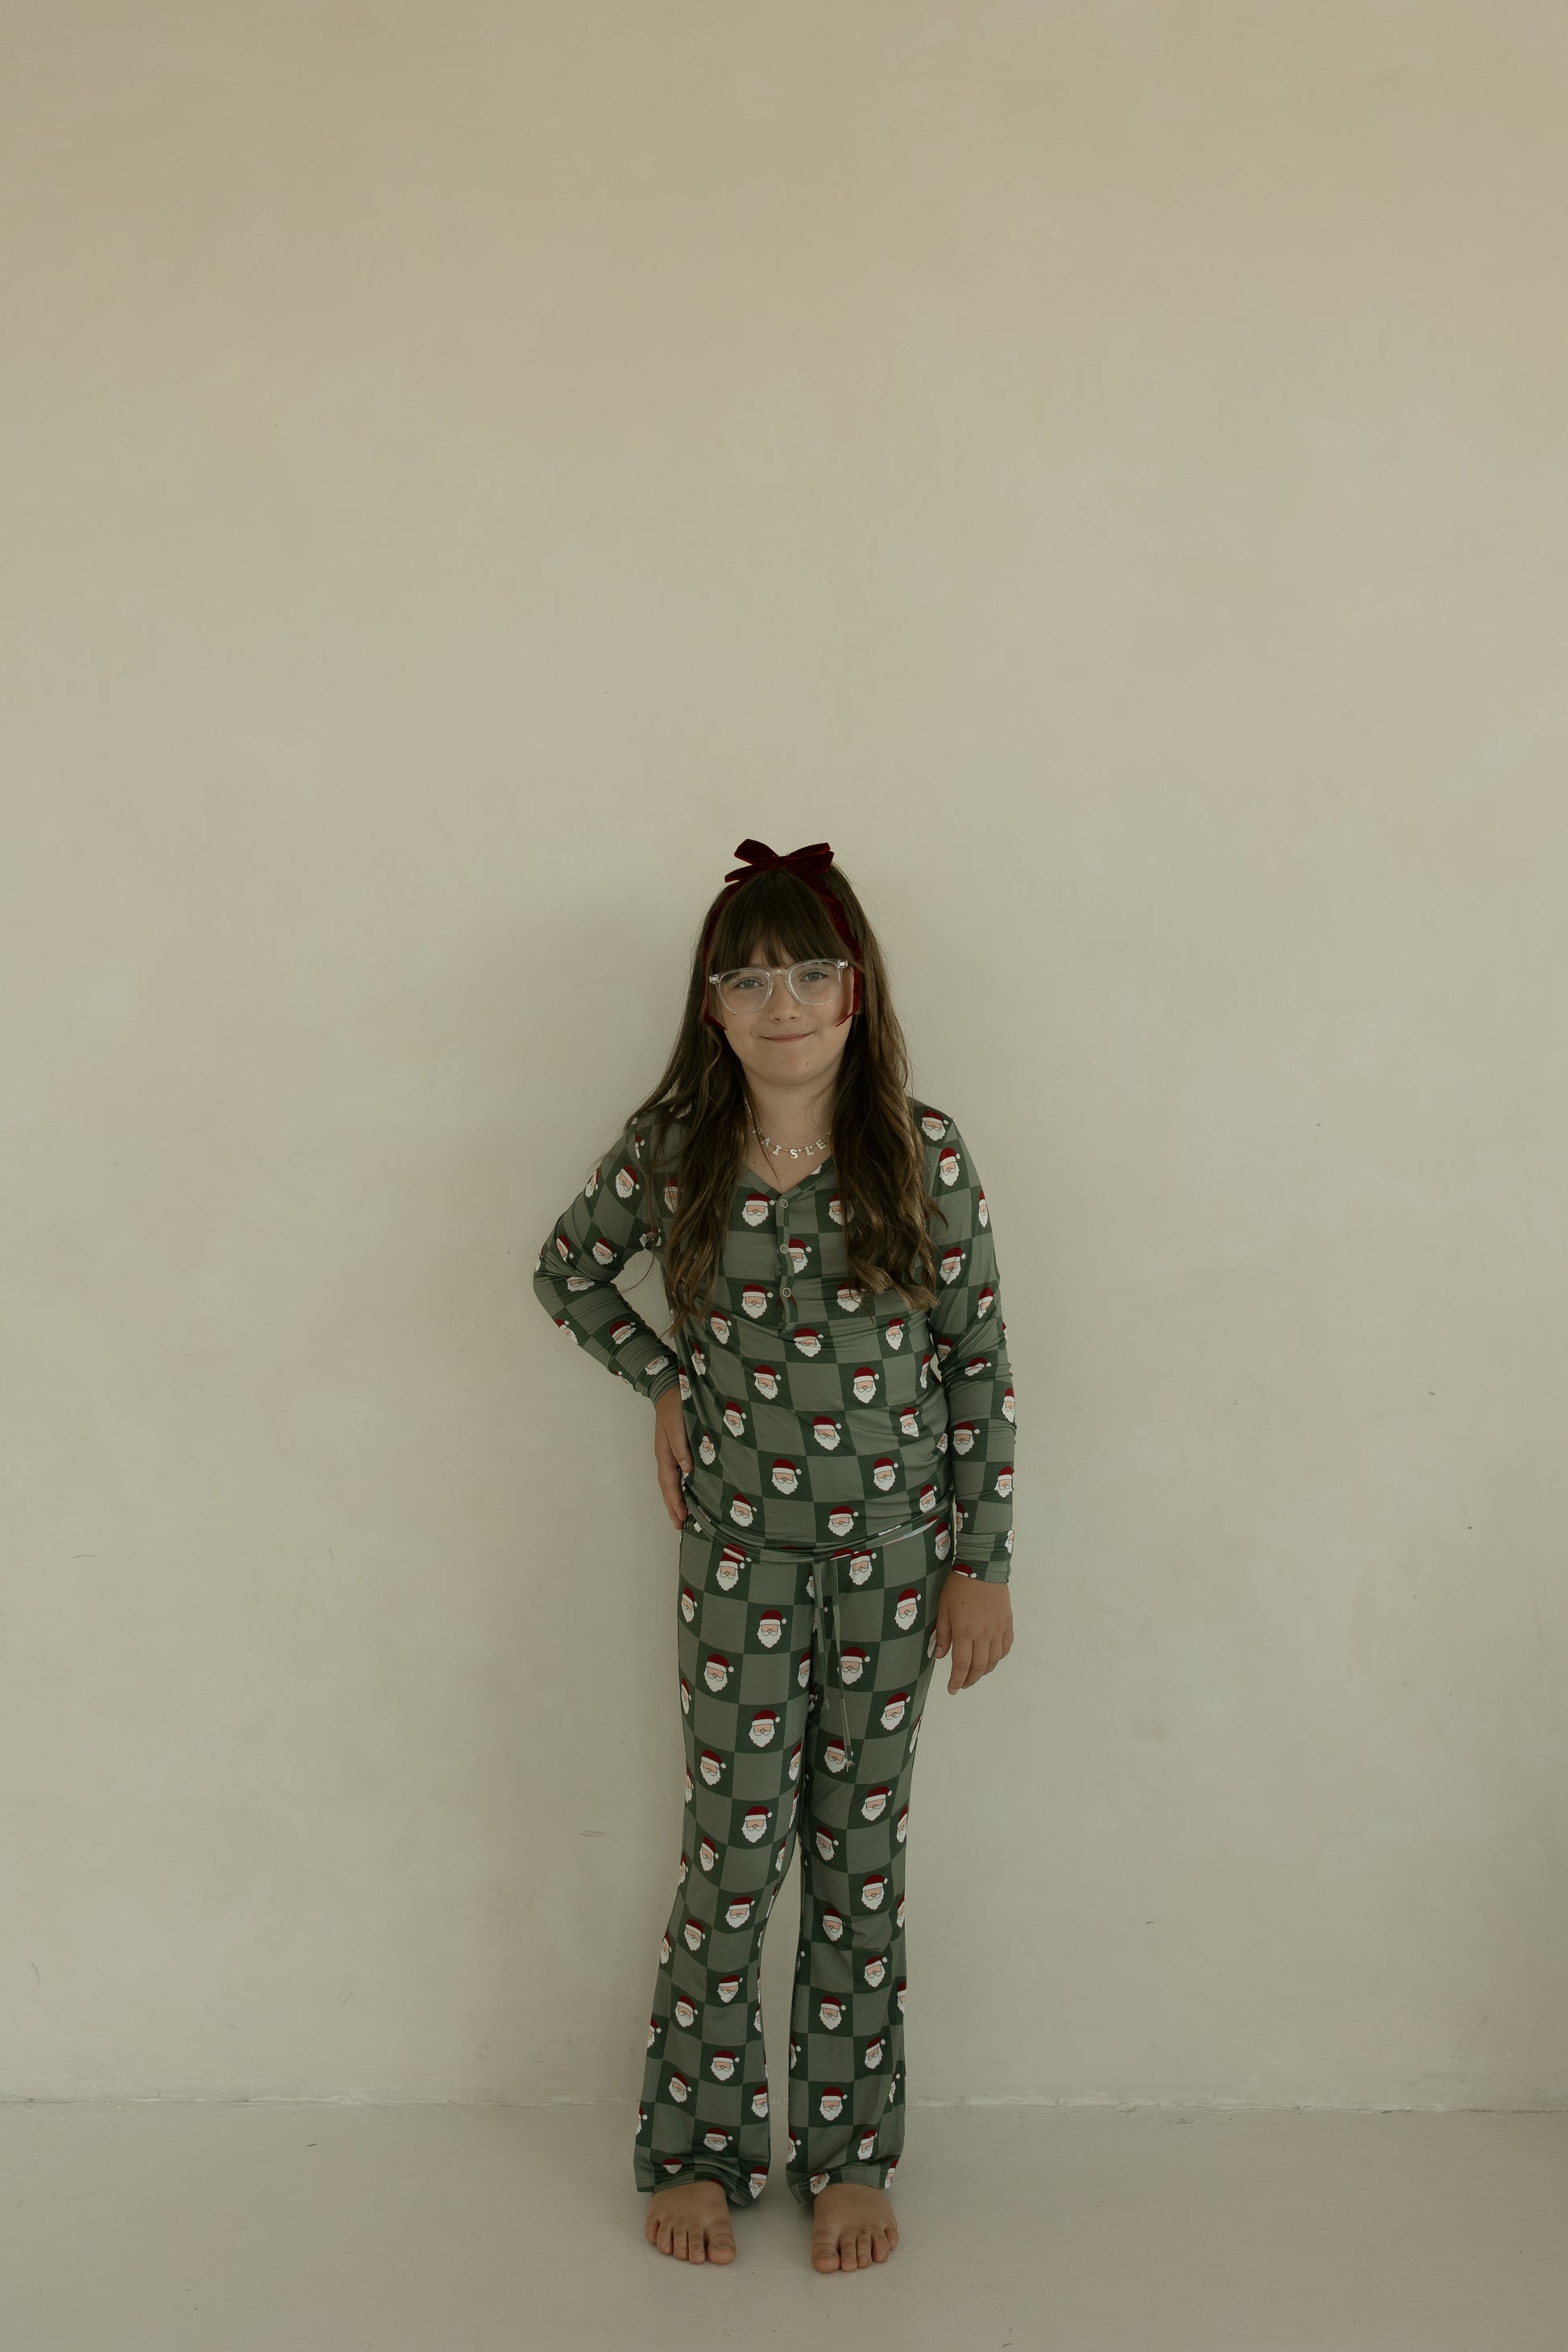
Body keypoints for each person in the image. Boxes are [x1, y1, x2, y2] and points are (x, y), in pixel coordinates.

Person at [533, 838, 1016, 2274]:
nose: (781, 1001)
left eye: (808, 972)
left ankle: (850, 2156)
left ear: (852, 990)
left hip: (893, 1570)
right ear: (712, 1006)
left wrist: (981, 1560)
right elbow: (566, 1273)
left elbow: (978, 1361)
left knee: (858, 1857)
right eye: (748, 979)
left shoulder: (920, 1153)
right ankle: (693, 2147)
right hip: (738, 1568)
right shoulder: (672, 1151)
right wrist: (666, 1379)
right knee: (731, 1859)